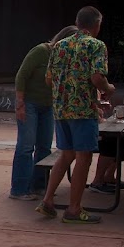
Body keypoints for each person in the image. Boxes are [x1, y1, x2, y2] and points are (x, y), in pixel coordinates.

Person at [35, 6, 115, 224]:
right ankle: (74, 209)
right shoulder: (96, 45)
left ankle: (47, 201)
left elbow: (49, 80)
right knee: (83, 157)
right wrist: (108, 88)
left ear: (78, 23)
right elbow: (97, 78)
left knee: (66, 154)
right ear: (97, 25)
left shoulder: (59, 45)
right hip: (82, 110)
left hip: (61, 109)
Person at [9, 25, 79, 200]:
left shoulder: (67, 58)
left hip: (48, 105)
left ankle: (39, 185)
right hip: (30, 103)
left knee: (44, 146)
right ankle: (19, 188)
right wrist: (20, 103)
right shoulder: (41, 51)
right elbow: (21, 75)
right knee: (26, 146)